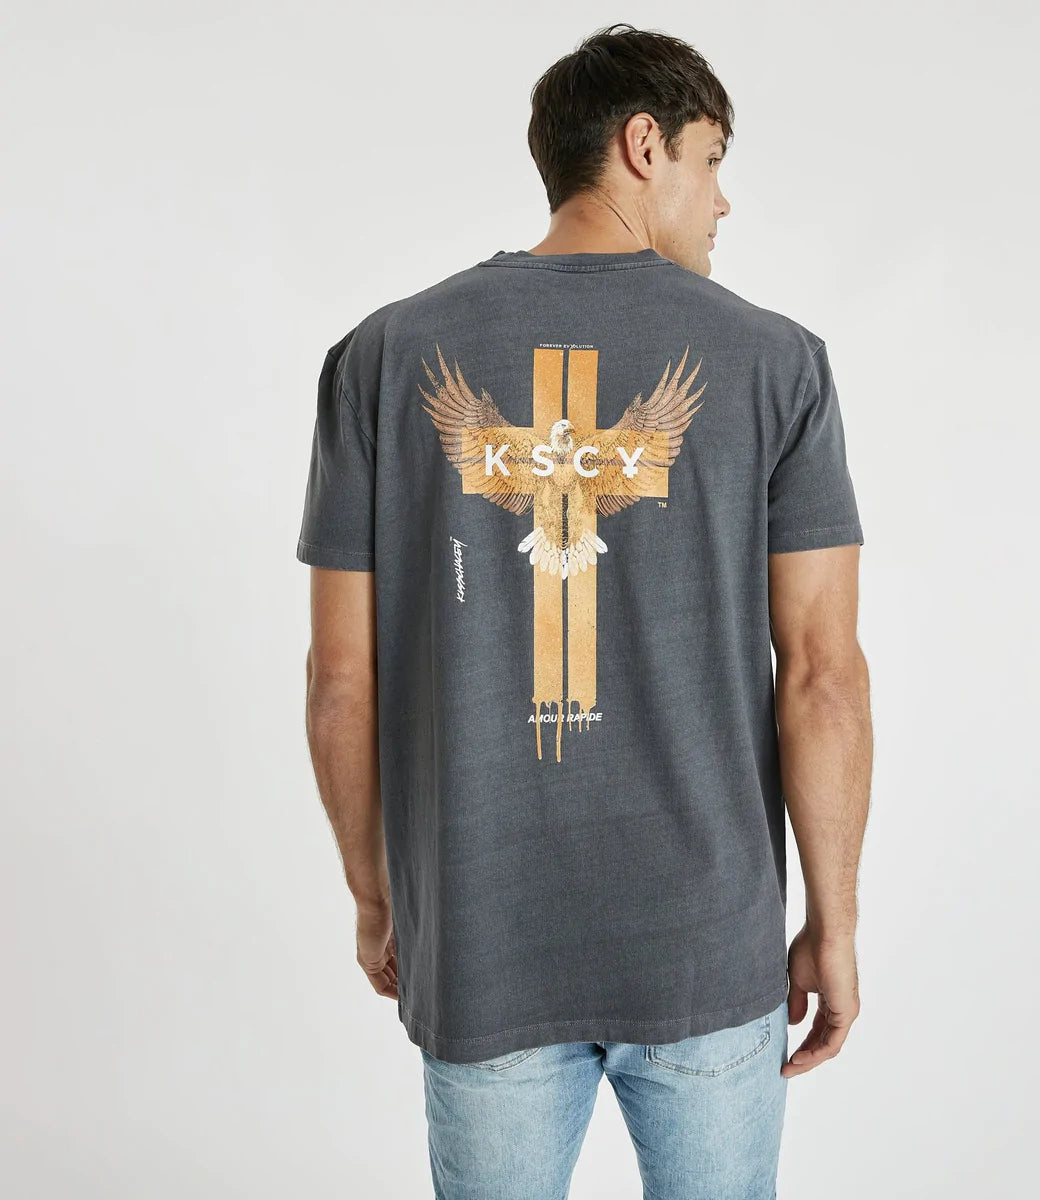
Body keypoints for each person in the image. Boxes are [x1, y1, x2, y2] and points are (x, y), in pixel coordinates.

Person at [296, 21, 873, 1199]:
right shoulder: (777, 363)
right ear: (643, 145)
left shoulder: (383, 356)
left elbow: (340, 681)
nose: (723, 200)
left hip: (484, 933)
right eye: (712, 160)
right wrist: (835, 921)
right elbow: (823, 676)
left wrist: (377, 896)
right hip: (706, 943)